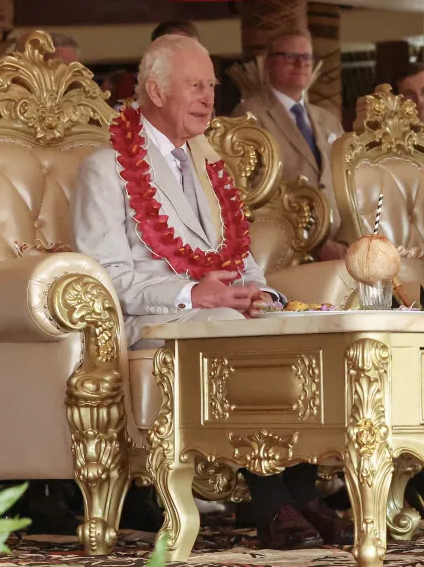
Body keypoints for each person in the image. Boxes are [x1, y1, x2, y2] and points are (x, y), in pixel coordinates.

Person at [72, 35, 349, 548]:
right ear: (156, 91)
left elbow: (240, 256)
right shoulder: (105, 168)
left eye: (212, 86)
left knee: (303, 331)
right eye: (195, 86)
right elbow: (105, 275)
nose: (209, 98)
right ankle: (272, 506)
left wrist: (260, 294)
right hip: (154, 320)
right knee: (228, 331)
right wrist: (190, 294)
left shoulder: (207, 163)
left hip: (218, 312)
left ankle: (303, 493)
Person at [235, 32, 348, 262]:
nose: (301, 63)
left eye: (307, 57)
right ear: (268, 64)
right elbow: (253, 191)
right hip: (286, 248)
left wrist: (347, 240)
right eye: (290, 56)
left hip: (339, 250)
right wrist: (315, 242)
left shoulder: (328, 120)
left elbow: (348, 182)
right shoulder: (250, 114)